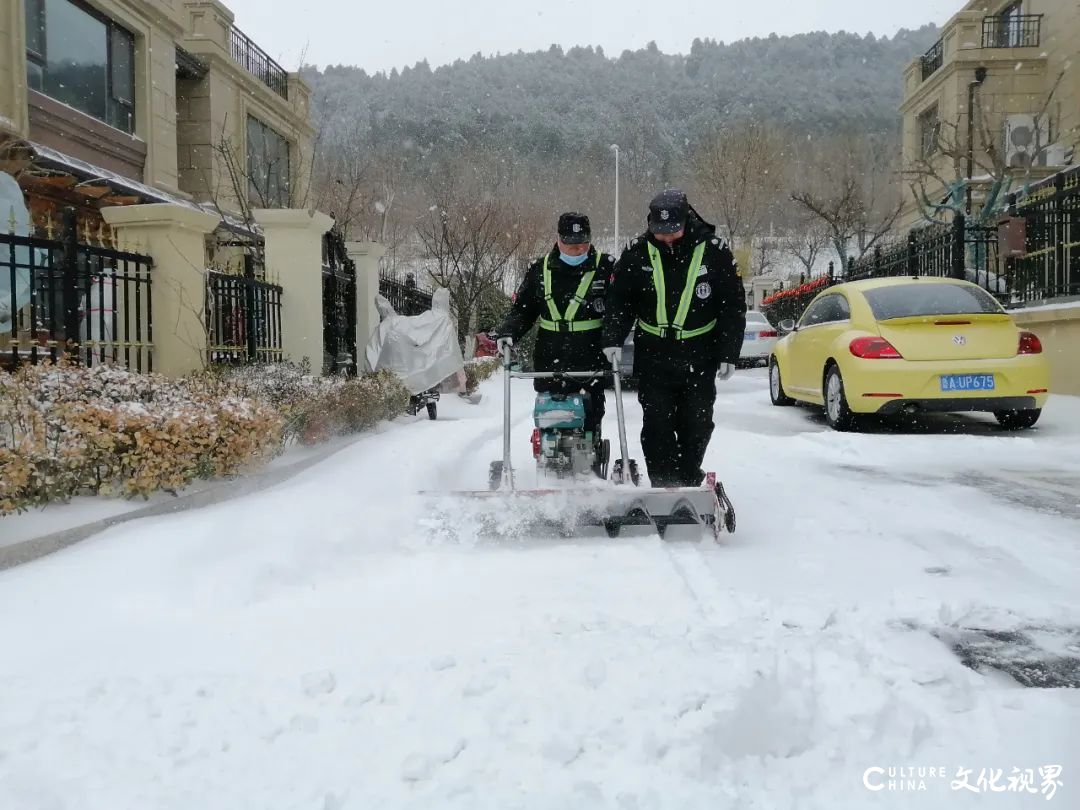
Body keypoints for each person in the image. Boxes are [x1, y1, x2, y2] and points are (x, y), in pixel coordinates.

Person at [601, 189, 746, 488]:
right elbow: (619, 300)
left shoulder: (714, 251)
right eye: (660, 232)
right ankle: (664, 484)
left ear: (687, 220)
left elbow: (732, 306)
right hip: (654, 352)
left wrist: (729, 352)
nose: (666, 238)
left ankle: (688, 478)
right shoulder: (637, 252)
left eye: (673, 232)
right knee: (657, 425)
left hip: (699, 352)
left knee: (697, 423)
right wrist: (613, 337)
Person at [494, 212, 616, 477]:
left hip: (591, 356)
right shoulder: (541, 269)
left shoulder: (605, 268)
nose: (577, 249)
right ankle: (549, 460)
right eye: (571, 244)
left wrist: (614, 340)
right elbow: (523, 310)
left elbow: (620, 310)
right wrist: (508, 333)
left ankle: (589, 465)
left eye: (582, 243)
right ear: (558, 240)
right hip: (551, 355)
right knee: (552, 411)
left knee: (590, 416)